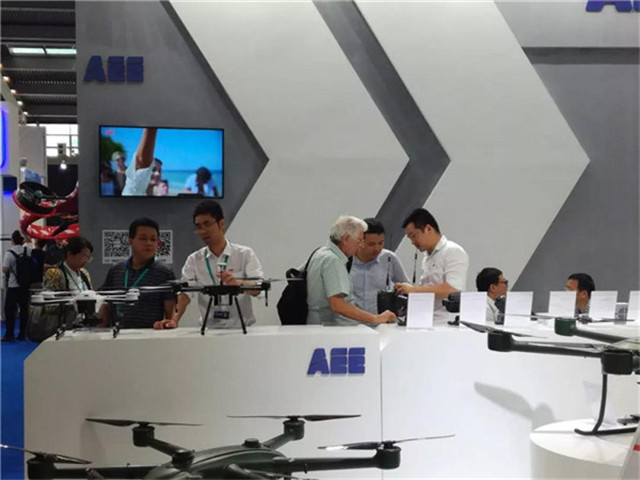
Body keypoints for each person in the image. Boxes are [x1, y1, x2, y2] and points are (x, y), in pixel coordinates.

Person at [156, 201, 262, 329]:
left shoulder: (244, 254)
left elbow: (258, 289)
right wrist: (174, 320)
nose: (203, 231)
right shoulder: (194, 260)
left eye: (207, 224)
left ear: (221, 224)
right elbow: (185, 294)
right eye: (198, 226)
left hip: (242, 329)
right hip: (209, 331)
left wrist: (238, 283)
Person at [305, 215, 396, 326]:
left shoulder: (320, 253)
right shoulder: (333, 260)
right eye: (359, 240)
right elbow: (338, 305)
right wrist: (375, 318)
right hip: (333, 329)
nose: (361, 245)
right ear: (346, 239)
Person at [395, 208, 469, 322]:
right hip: (427, 319)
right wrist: (407, 291)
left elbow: (453, 289)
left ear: (428, 229)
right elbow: (426, 289)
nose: (413, 242)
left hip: (446, 322)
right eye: (410, 238)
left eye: (414, 236)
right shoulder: (427, 257)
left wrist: (414, 290)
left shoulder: (453, 251)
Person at [99, 218, 176, 328]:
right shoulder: (116, 270)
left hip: (149, 334)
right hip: (117, 333)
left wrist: (168, 325)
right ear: (131, 241)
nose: (149, 243)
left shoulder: (165, 272)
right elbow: (105, 301)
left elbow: (170, 315)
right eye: (143, 238)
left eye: (153, 239)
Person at [350, 218, 409, 314]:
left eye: (381, 243)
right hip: (352, 320)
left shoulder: (390, 258)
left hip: (382, 320)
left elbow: (407, 287)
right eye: (371, 244)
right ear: (360, 241)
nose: (377, 248)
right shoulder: (346, 260)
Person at [2, 231, 32, 341]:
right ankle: (22, 333)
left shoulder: (9, 253)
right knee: (24, 310)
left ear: (12, 240)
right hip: (25, 285)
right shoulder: (28, 250)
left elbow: (5, 269)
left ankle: (9, 334)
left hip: (13, 285)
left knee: (10, 310)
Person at [121, 127, 158, 196]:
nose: (157, 174)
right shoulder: (133, 192)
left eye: (160, 171)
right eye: (152, 169)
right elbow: (141, 163)